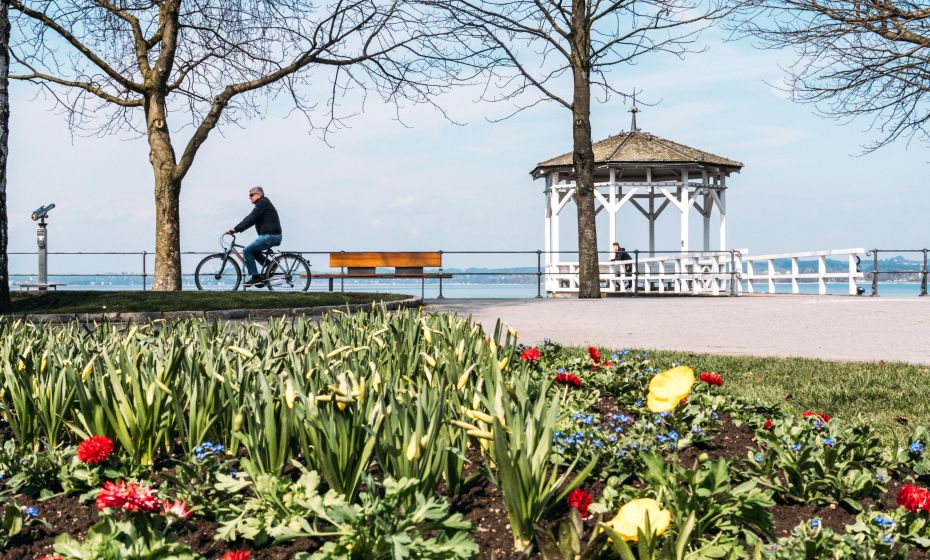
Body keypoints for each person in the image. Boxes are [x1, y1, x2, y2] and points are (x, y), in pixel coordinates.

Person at [228, 186, 282, 286]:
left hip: (270, 236)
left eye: (251, 195)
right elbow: (251, 220)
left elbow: (250, 218)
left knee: (247, 251)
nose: (249, 197)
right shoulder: (263, 204)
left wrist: (236, 229)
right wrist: (238, 229)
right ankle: (270, 265)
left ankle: (255, 277)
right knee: (253, 250)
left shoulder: (262, 203)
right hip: (272, 235)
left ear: (259, 195)